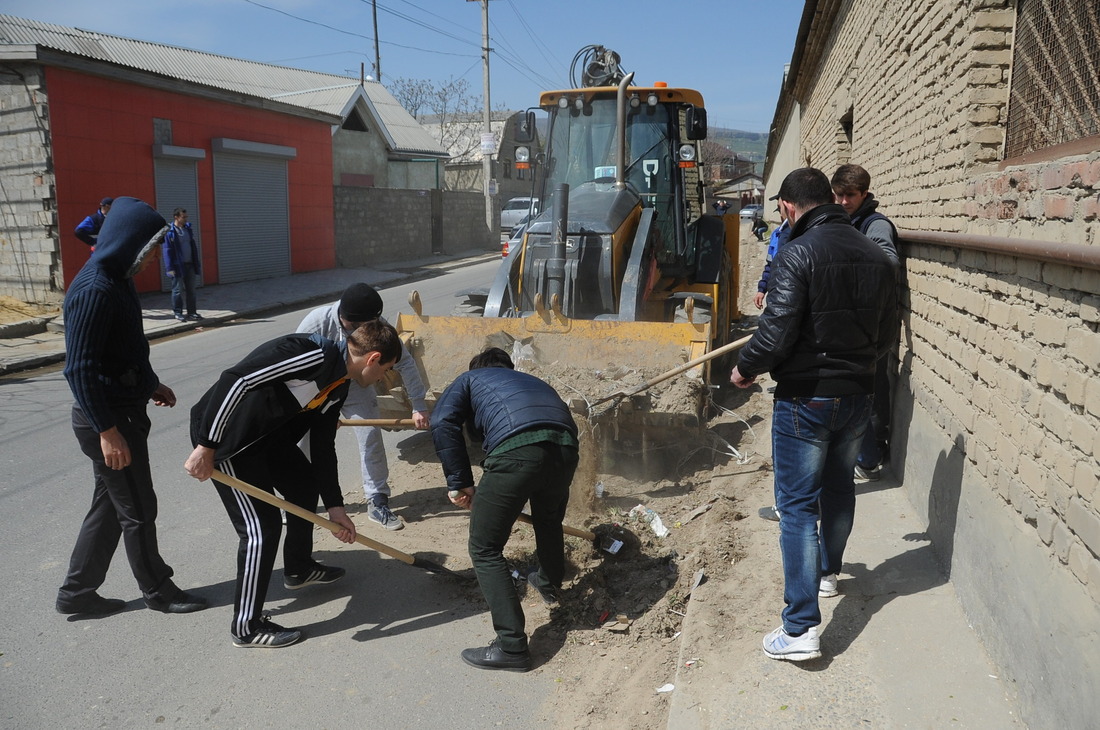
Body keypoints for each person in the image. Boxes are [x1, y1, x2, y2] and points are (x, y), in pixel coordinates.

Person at [730, 168, 897, 662]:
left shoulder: (796, 252)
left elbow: (777, 330)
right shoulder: (874, 253)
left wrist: (745, 369)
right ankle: (827, 574)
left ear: (787, 205)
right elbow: (888, 335)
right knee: (840, 485)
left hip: (806, 398)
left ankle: (800, 628)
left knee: (798, 506)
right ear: (829, 199)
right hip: (859, 392)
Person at [184, 320, 401, 648]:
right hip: (228, 439)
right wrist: (206, 445)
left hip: (265, 440)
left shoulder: (339, 384)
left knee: (303, 485)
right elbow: (237, 379)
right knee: (261, 529)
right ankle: (246, 627)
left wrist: (335, 507)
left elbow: (323, 445)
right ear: (372, 358)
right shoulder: (311, 354)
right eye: (386, 369)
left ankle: (299, 568)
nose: (383, 377)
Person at [57, 196, 207, 617]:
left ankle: (77, 592)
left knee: (110, 506)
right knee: (139, 508)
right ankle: (159, 591)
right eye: (153, 247)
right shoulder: (93, 290)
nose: (156, 255)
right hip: (106, 419)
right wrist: (108, 431)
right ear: (130, 242)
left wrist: (150, 382)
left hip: (123, 409)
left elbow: (124, 351)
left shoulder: (118, 277)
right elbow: (79, 371)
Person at [431, 347, 579, 672]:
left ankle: (511, 647)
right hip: (566, 448)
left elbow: (442, 421)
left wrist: (460, 482)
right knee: (548, 519)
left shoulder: (471, 378)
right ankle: (549, 582)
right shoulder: (530, 381)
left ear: (477, 369)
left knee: (484, 548)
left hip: (518, 450)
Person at [297, 283, 430, 530]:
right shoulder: (316, 323)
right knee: (304, 444)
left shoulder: (375, 327)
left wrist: (418, 405)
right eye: (357, 327)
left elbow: (406, 364)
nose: (363, 331)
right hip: (319, 391)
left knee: (371, 437)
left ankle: (377, 501)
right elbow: (297, 368)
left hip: (357, 388)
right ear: (345, 318)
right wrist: (317, 412)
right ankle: (297, 500)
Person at [831, 164, 900, 481]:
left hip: (871, 327)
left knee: (869, 392)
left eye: (850, 195)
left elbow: (886, 262)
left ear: (865, 194)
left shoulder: (875, 225)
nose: (844, 201)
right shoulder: (846, 221)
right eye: (839, 195)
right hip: (849, 325)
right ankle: (863, 455)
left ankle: (873, 457)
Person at [163, 207, 202, 323]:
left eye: (186, 217)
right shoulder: (170, 232)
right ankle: (178, 313)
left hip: (190, 264)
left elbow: (192, 247)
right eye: (183, 217)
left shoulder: (188, 229)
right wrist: (169, 269)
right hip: (177, 267)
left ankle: (192, 312)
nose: (185, 219)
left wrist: (196, 263)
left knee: (191, 290)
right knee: (177, 290)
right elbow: (167, 251)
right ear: (176, 217)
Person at [753, 196, 791, 311]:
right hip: (777, 295)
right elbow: (770, 265)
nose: (780, 214)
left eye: (780, 209)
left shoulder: (798, 234)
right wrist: (762, 289)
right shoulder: (777, 234)